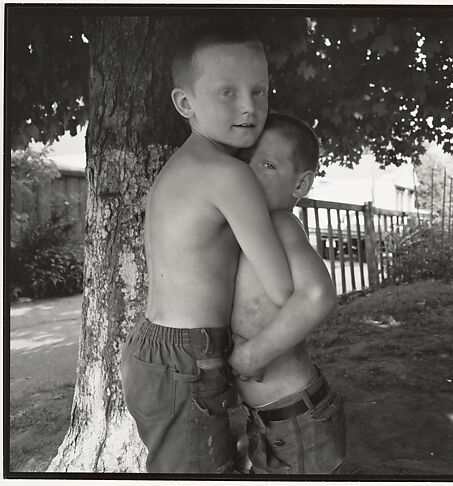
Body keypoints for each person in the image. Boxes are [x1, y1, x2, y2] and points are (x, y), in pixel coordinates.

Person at [120, 23, 293, 474]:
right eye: (227, 92)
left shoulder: (181, 166)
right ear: (185, 103)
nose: (249, 107)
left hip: (152, 348)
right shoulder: (229, 175)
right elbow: (280, 288)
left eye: (260, 91)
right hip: (188, 359)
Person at [230, 113, 346, 474]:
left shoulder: (280, 222)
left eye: (267, 164)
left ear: (301, 184)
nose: (249, 171)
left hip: (297, 417)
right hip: (274, 416)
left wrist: (253, 354)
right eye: (245, 160)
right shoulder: (254, 232)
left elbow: (317, 295)